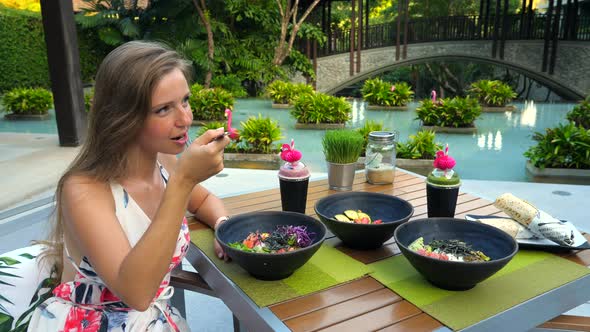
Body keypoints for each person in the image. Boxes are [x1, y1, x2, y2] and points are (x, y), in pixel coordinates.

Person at [28, 40, 231, 331]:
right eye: (163, 109)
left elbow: (202, 201)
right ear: (123, 117)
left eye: (185, 101)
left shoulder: (164, 161)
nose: (186, 119)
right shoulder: (84, 189)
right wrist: (184, 180)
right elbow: (136, 293)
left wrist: (222, 224)